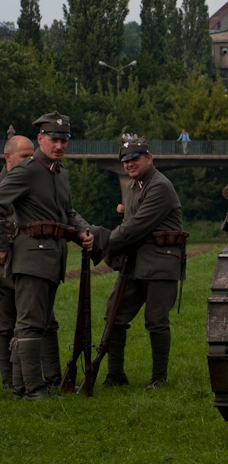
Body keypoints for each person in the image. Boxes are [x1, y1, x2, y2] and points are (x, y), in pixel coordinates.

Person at [0, 112, 95, 400]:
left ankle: (20, 387)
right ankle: (33, 389)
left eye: (64, 140)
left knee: (38, 323)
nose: (59, 145)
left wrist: (81, 231)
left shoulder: (60, 173)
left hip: (52, 257)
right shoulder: (27, 169)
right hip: (30, 255)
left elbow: (66, 213)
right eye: (54, 139)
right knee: (30, 323)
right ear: (40, 139)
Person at [95, 141, 185, 390]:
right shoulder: (134, 186)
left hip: (160, 263)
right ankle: (115, 375)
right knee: (114, 315)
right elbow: (129, 224)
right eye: (125, 161)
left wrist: (103, 242)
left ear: (149, 158)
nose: (130, 164)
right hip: (134, 263)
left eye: (135, 158)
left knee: (156, 321)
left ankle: (159, 378)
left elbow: (136, 227)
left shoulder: (160, 187)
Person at [0, 136, 36, 395]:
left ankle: (41, 378)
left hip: (25, 257)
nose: (30, 161)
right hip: (5, 257)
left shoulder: (33, 179)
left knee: (36, 320)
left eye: (31, 156)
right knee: (5, 324)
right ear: (8, 157)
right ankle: (9, 380)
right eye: (24, 157)